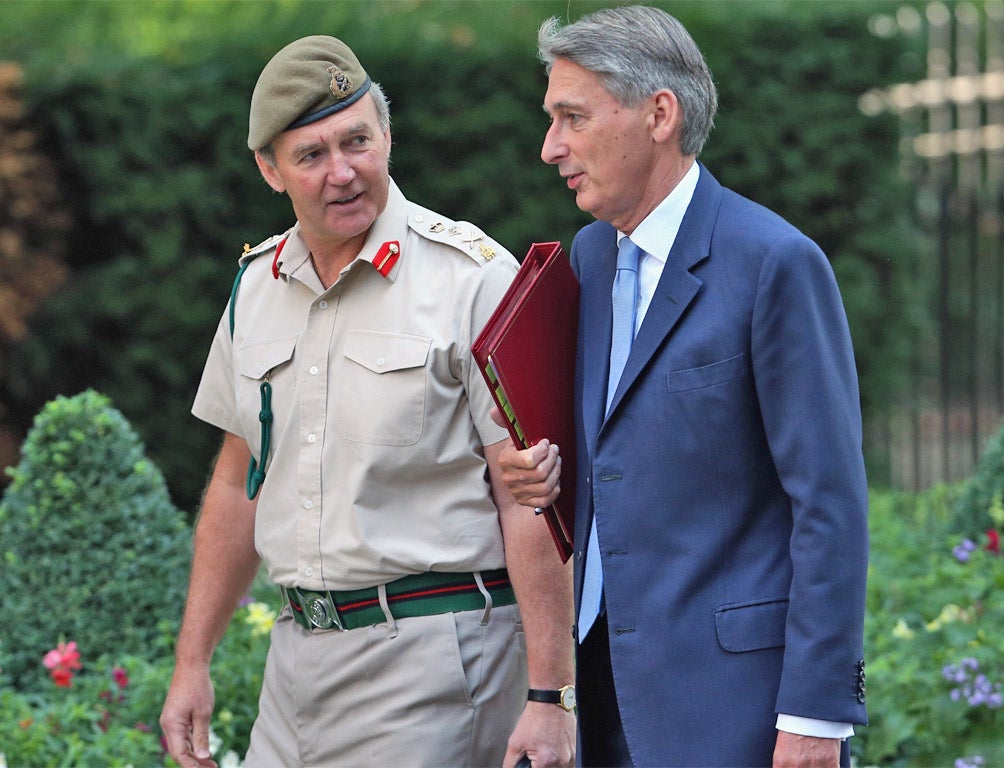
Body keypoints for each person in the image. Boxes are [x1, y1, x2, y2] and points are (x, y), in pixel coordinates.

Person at [159, 35, 575, 768]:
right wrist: (193, 661)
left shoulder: (472, 278)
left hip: (434, 657)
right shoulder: (254, 287)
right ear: (269, 170)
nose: (343, 172)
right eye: (311, 155)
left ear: (387, 135)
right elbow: (235, 483)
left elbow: (530, 501)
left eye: (358, 141)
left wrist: (551, 699)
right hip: (293, 666)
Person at [497, 6, 869, 767]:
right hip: (603, 695)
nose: (549, 148)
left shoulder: (775, 263)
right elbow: (626, 454)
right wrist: (544, 472)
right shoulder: (591, 258)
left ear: (659, 114)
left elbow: (829, 504)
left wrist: (817, 716)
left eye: (572, 117)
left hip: (740, 711)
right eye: (551, 119)